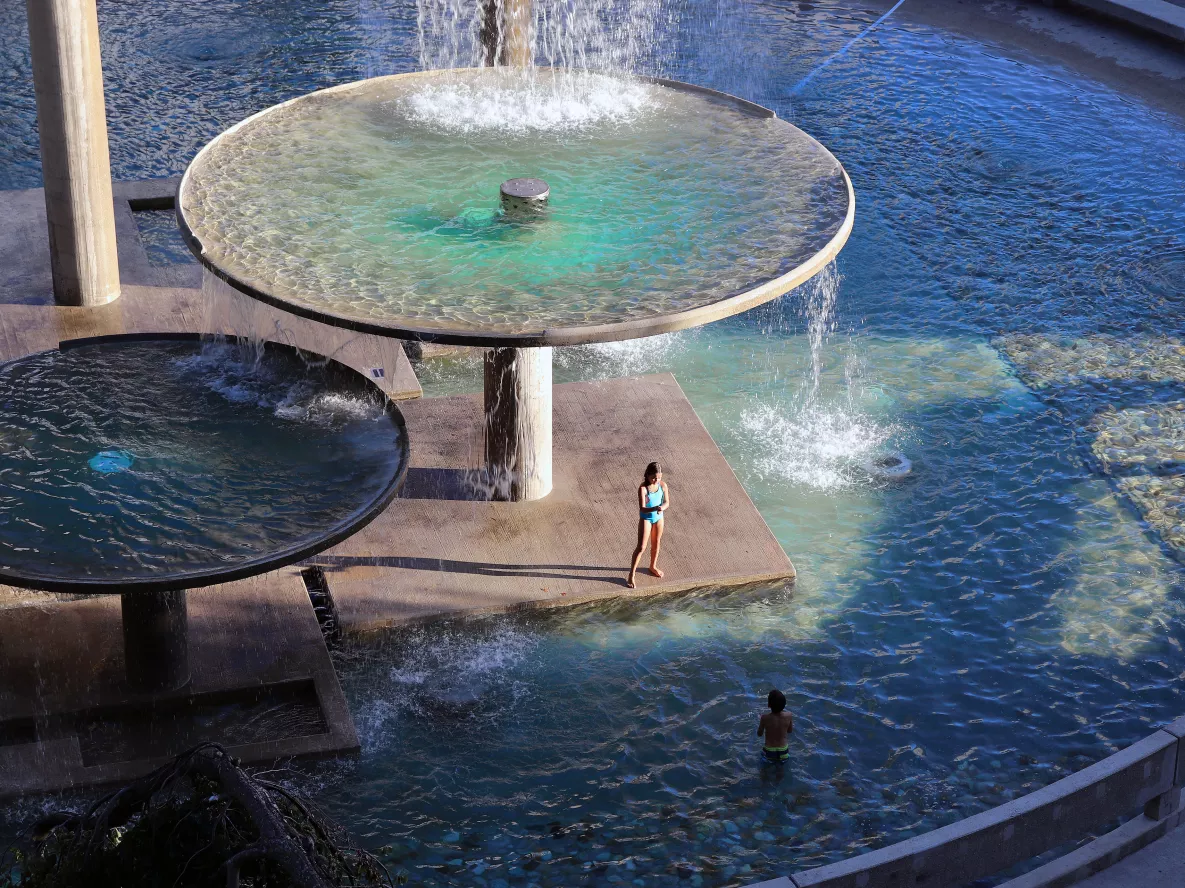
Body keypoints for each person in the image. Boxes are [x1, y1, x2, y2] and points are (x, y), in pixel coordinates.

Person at [626, 461, 670, 589]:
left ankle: (653, 566)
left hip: (659, 518)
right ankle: (631, 574)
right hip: (646, 518)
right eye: (654, 478)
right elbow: (642, 509)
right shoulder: (643, 488)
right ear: (647, 475)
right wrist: (655, 508)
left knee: (656, 543)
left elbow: (667, 502)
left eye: (659, 477)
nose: (656, 480)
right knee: (641, 547)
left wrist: (662, 508)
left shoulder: (663, 485)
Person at [758, 689, 793, 764]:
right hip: (783, 750)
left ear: (769, 705)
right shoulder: (789, 715)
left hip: (769, 750)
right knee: (780, 771)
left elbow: (759, 734)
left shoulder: (764, 718)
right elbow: (790, 731)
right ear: (784, 705)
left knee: (764, 771)